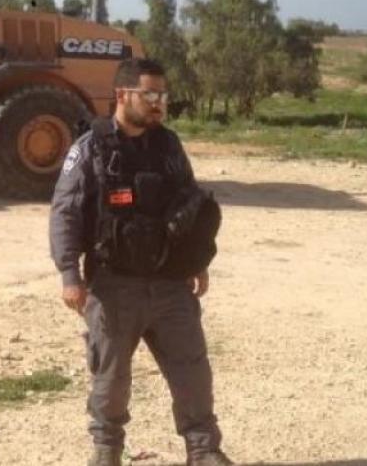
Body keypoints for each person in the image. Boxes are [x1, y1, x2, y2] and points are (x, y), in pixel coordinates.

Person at [49, 58, 233, 466]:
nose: (158, 103)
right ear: (122, 95)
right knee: (111, 378)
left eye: (162, 95)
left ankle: (204, 449)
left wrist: (197, 261)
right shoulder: (91, 148)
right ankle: (106, 450)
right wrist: (69, 274)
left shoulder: (168, 146)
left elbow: (190, 203)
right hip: (114, 286)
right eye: (149, 94)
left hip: (170, 283)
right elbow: (66, 213)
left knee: (192, 371)